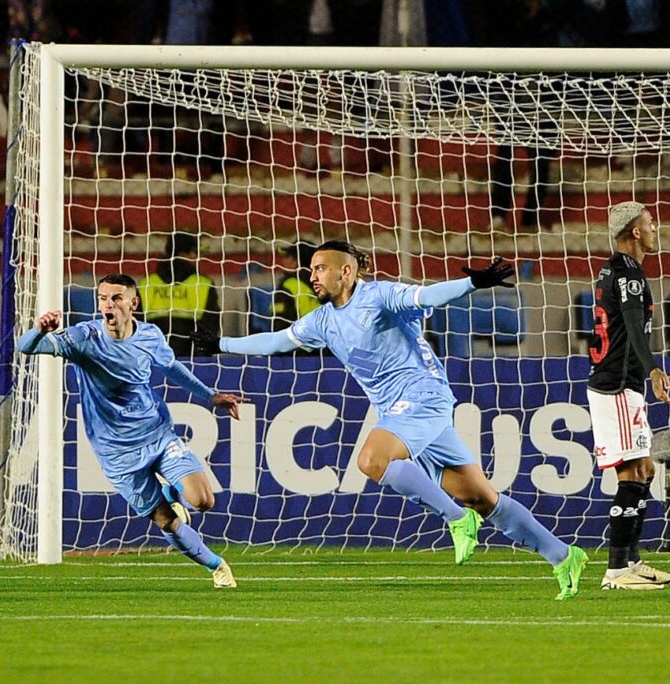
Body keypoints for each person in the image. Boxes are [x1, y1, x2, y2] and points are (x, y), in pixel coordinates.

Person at [193, 240, 588, 600]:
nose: (311, 276)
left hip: (423, 397)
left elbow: (426, 295)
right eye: (311, 270)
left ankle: (455, 518)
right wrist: (221, 345)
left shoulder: (379, 296)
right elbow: (277, 341)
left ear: (346, 271)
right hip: (403, 411)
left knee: (372, 461)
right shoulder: (323, 320)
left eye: (319, 268)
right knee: (482, 498)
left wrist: (472, 284)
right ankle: (564, 555)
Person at [17, 273, 246, 588]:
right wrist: (39, 330)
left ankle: (171, 491)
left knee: (203, 500)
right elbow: (26, 347)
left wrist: (211, 396)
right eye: (102, 298)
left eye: (116, 298)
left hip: (157, 434)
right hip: (116, 452)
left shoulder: (150, 336)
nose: (107, 305)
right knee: (166, 519)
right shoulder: (83, 338)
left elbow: (172, 368)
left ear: (133, 303)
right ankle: (218, 568)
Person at [586, 201, 670, 590]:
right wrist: (653, 368)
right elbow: (636, 328)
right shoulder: (629, 275)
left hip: (622, 384)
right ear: (635, 232)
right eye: (650, 224)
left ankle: (631, 561)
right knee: (634, 472)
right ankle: (617, 570)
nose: (656, 229)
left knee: (645, 470)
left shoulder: (615, 270)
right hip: (618, 385)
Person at [138, 233, 220, 355]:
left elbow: (136, 325)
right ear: (183, 254)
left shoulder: (146, 284)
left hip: (153, 357)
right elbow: (211, 326)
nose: (197, 258)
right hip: (193, 358)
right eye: (194, 252)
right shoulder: (203, 284)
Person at [270, 240, 319, 331]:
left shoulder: (288, 285)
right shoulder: (325, 283)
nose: (283, 261)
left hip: (297, 340)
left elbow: (279, 321)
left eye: (287, 257)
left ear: (295, 262)